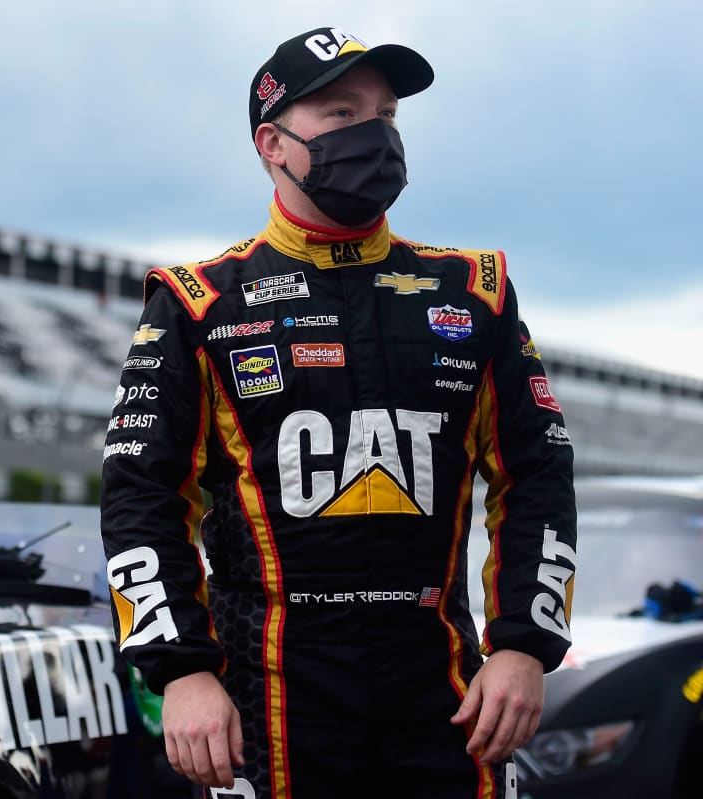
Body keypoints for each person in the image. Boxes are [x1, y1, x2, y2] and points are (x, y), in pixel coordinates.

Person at [99, 26, 576, 799]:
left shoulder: (475, 290)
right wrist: (182, 671)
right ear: (273, 144)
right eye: (341, 114)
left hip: (445, 697)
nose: (375, 134)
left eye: (387, 114)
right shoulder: (197, 303)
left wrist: (524, 645)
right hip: (269, 699)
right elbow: (141, 500)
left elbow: (539, 475)